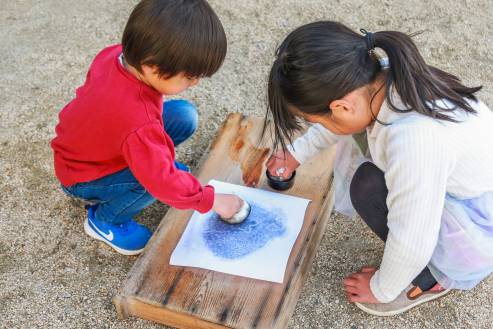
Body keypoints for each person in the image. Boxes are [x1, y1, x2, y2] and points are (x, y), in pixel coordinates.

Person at [264, 21, 493, 316]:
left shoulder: (414, 141)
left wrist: (382, 288)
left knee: (368, 187)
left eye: (317, 120)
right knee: (363, 156)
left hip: (479, 227)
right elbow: (338, 122)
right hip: (464, 183)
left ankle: (432, 278)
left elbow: (413, 234)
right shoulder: (382, 73)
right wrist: (296, 153)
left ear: (341, 106)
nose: (321, 127)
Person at [51, 0, 243, 256]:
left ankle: (144, 165)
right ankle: (104, 220)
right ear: (151, 66)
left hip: (91, 147)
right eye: (189, 76)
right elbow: (161, 182)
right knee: (150, 181)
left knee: (184, 115)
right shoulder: (138, 121)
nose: (195, 82)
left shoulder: (115, 55)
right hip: (83, 176)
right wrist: (213, 201)